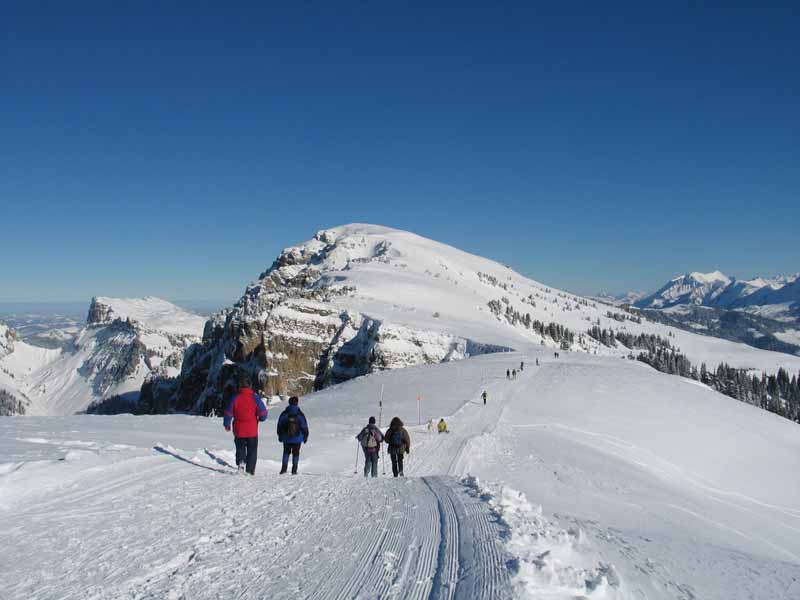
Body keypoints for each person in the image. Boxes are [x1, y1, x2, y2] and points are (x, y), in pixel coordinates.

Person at [223, 374, 268, 475]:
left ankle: (241, 463)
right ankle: (250, 471)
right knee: (252, 450)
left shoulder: (234, 397)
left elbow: (228, 412)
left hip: (239, 429)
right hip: (252, 430)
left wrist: (227, 424)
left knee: (240, 447)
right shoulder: (255, 397)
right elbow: (263, 413)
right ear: (250, 385)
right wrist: (261, 419)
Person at [277, 396, 309, 475]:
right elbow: (304, 426)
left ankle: (283, 469)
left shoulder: (285, 413)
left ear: (289, 403)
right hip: (297, 438)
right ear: (297, 403)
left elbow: (279, 425)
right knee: (296, 453)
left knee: (286, 452)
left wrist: (280, 436)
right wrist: (305, 436)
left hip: (286, 438)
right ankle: (294, 470)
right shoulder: (300, 414)